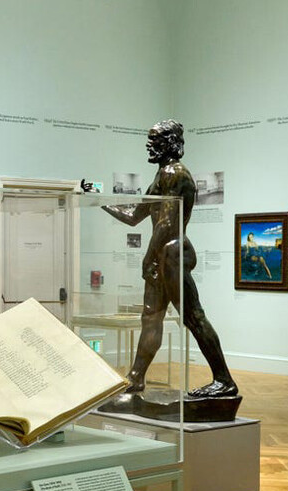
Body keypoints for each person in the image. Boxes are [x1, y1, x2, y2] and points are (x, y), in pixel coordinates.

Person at [103, 119, 237, 398]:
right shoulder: (161, 175)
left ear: (171, 143)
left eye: (155, 140)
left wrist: (148, 258)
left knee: (193, 317)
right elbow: (134, 216)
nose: (149, 145)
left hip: (171, 253)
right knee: (150, 317)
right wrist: (99, 200)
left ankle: (224, 380)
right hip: (162, 254)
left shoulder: (174, 173)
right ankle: (136, 377)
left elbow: (166, 223)